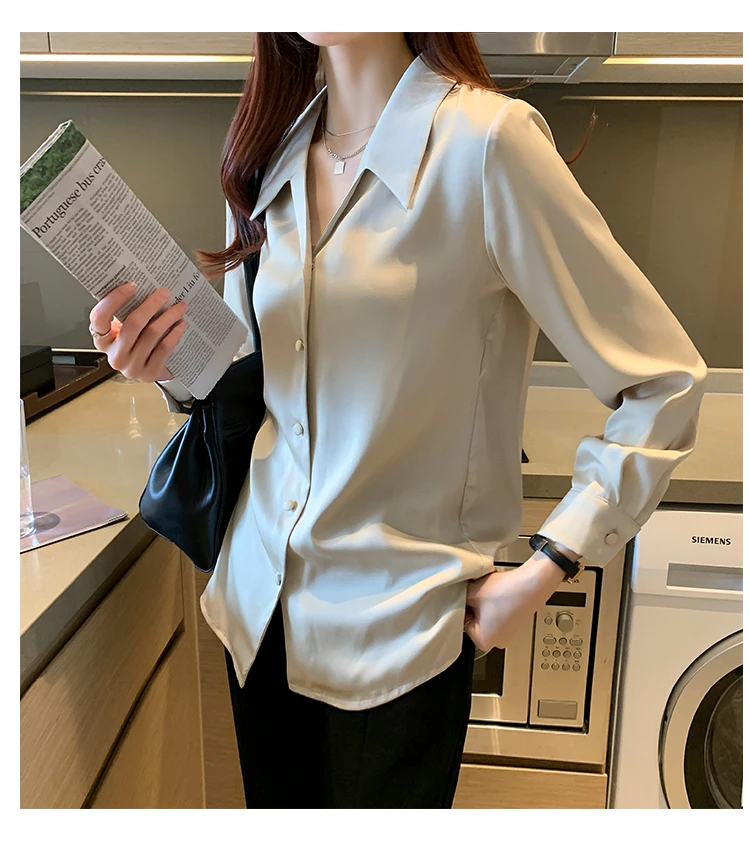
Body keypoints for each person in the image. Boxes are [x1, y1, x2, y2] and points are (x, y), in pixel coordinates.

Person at [87, 32, 707, 808]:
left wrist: (551, 562)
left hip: (399, 634)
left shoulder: (489, 143)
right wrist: (165, 365)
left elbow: (663, 380)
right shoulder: (268, 155)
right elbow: (251, 381)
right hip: (255, 612)